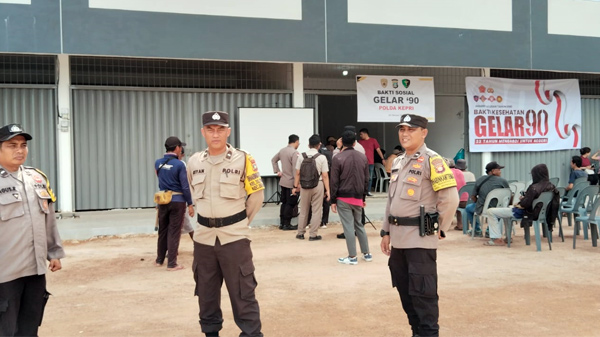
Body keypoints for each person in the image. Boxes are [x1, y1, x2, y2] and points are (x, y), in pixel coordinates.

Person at [187, 111, 265, 337]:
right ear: (203, 133)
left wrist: (238, 223)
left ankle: (251, 334)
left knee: (243, 292)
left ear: (228, 132)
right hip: (203, 240)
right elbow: (194, 193)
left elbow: (257, 196)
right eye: (210, 129)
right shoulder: (193, 162)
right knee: (206, 293)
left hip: (235, 239)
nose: (215, 134)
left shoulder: (244, 159)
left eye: (220, 129)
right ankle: (211, 333)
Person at [380, 114, 459, 337]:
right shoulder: (397, 162)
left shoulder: (433, 161)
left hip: (420, 241)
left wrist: (439, 228)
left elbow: (450, 199)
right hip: (398, 241)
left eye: (411, 129)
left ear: (423, 133)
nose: (405, 134)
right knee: (406, 294)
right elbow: (391, 200)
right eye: (402, 129)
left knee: (423, 297)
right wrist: (385, 231)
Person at [0, 123, 65, 336]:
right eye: (12, 145)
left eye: (23, 145)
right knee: (6, 329)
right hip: (5, 274)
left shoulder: (37, 178)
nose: (20, 150)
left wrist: (53, 253)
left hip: (35, 271)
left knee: (30, 327)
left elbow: (48, 219)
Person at [485, 164, 559, 246]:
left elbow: (525, 204)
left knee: (490, 211)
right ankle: (507, 237)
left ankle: (496, 239)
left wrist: (523, 199)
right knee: (506, 212)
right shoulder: (552, 187)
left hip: (525, 213)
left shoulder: (534, 187)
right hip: (542, 213)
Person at [330, 130, 371, 265]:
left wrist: (333, 200)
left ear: (341, 142)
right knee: (359, 225)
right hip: (358, 197)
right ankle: (367, 254)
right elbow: (366, 179)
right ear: (354, 142)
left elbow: (334, 181)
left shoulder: (338, 158)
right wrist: (363, 197)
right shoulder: (363, 157)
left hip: (343, 197)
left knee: (348, 226)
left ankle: (352, 257)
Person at [154, 136, 194, 271]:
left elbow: (160, 179)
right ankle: (172, 263)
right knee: (174, 231)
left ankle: (159, 260)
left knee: (163, 230)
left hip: (163, 199)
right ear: (177, 148)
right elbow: (185, 186)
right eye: (180, 147)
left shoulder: (157, 163)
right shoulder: (179, 164)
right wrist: (190, 203)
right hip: (177, 201)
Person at [293, 134, 330, 241]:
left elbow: (298, 173)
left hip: (304, 185)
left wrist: (295, 186)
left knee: (304, 210)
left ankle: (300, 233)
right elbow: (325, 175)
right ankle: (313, 235)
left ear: (309, 145)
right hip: (318, 185)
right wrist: (328, 190)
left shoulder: (301, 156)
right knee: (316, 210)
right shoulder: (322, 157)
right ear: (319, 145)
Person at [465, 161, 509, 237]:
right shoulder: (503, 181)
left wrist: (478, 203)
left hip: (482, 209)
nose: (500, 171)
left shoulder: (480, 179)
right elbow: (508, 195)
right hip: (497, 209)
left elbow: (473, 196)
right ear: (492, 171)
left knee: (468, 208)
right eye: (498, 169)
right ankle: (489, 230)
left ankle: (477, 230)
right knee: (499, 208)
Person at [271, 134, 300, 231]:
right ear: (296, 142)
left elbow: (273, 160)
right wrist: (297, 185)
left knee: (284, 202)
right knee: (290, 203)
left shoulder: (282, 150)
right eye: (298, 142)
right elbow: (296, 170)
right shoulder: (294, 153)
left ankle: (282, 223)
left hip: (283, 181)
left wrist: (277, 171)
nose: (298, 144)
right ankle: (287, 224)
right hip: (291, 182)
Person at [358, 128, 386, 196]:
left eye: (361, 134)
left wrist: (382, 158)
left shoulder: (373, 140)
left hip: (370, 162)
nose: (360, 136)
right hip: (361, 162)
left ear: (365, 134)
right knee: (361, 177)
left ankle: (368, 191)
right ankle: (362, 191)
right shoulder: (359, 142)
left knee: (370, 178)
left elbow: (378, 150)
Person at [179, 146, 195, 240]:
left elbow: (185, 184)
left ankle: (196, 244)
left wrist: (189, 203)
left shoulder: (182, 164)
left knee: (186, 223)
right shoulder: (180, 164)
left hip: (181, 197)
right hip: (175, 197)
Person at [446, 159, 467, 231]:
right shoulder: (459, 172)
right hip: (465, 200)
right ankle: (460, 224)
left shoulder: (447, 172)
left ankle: (445, 226)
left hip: (454, 200)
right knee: (459, 209)